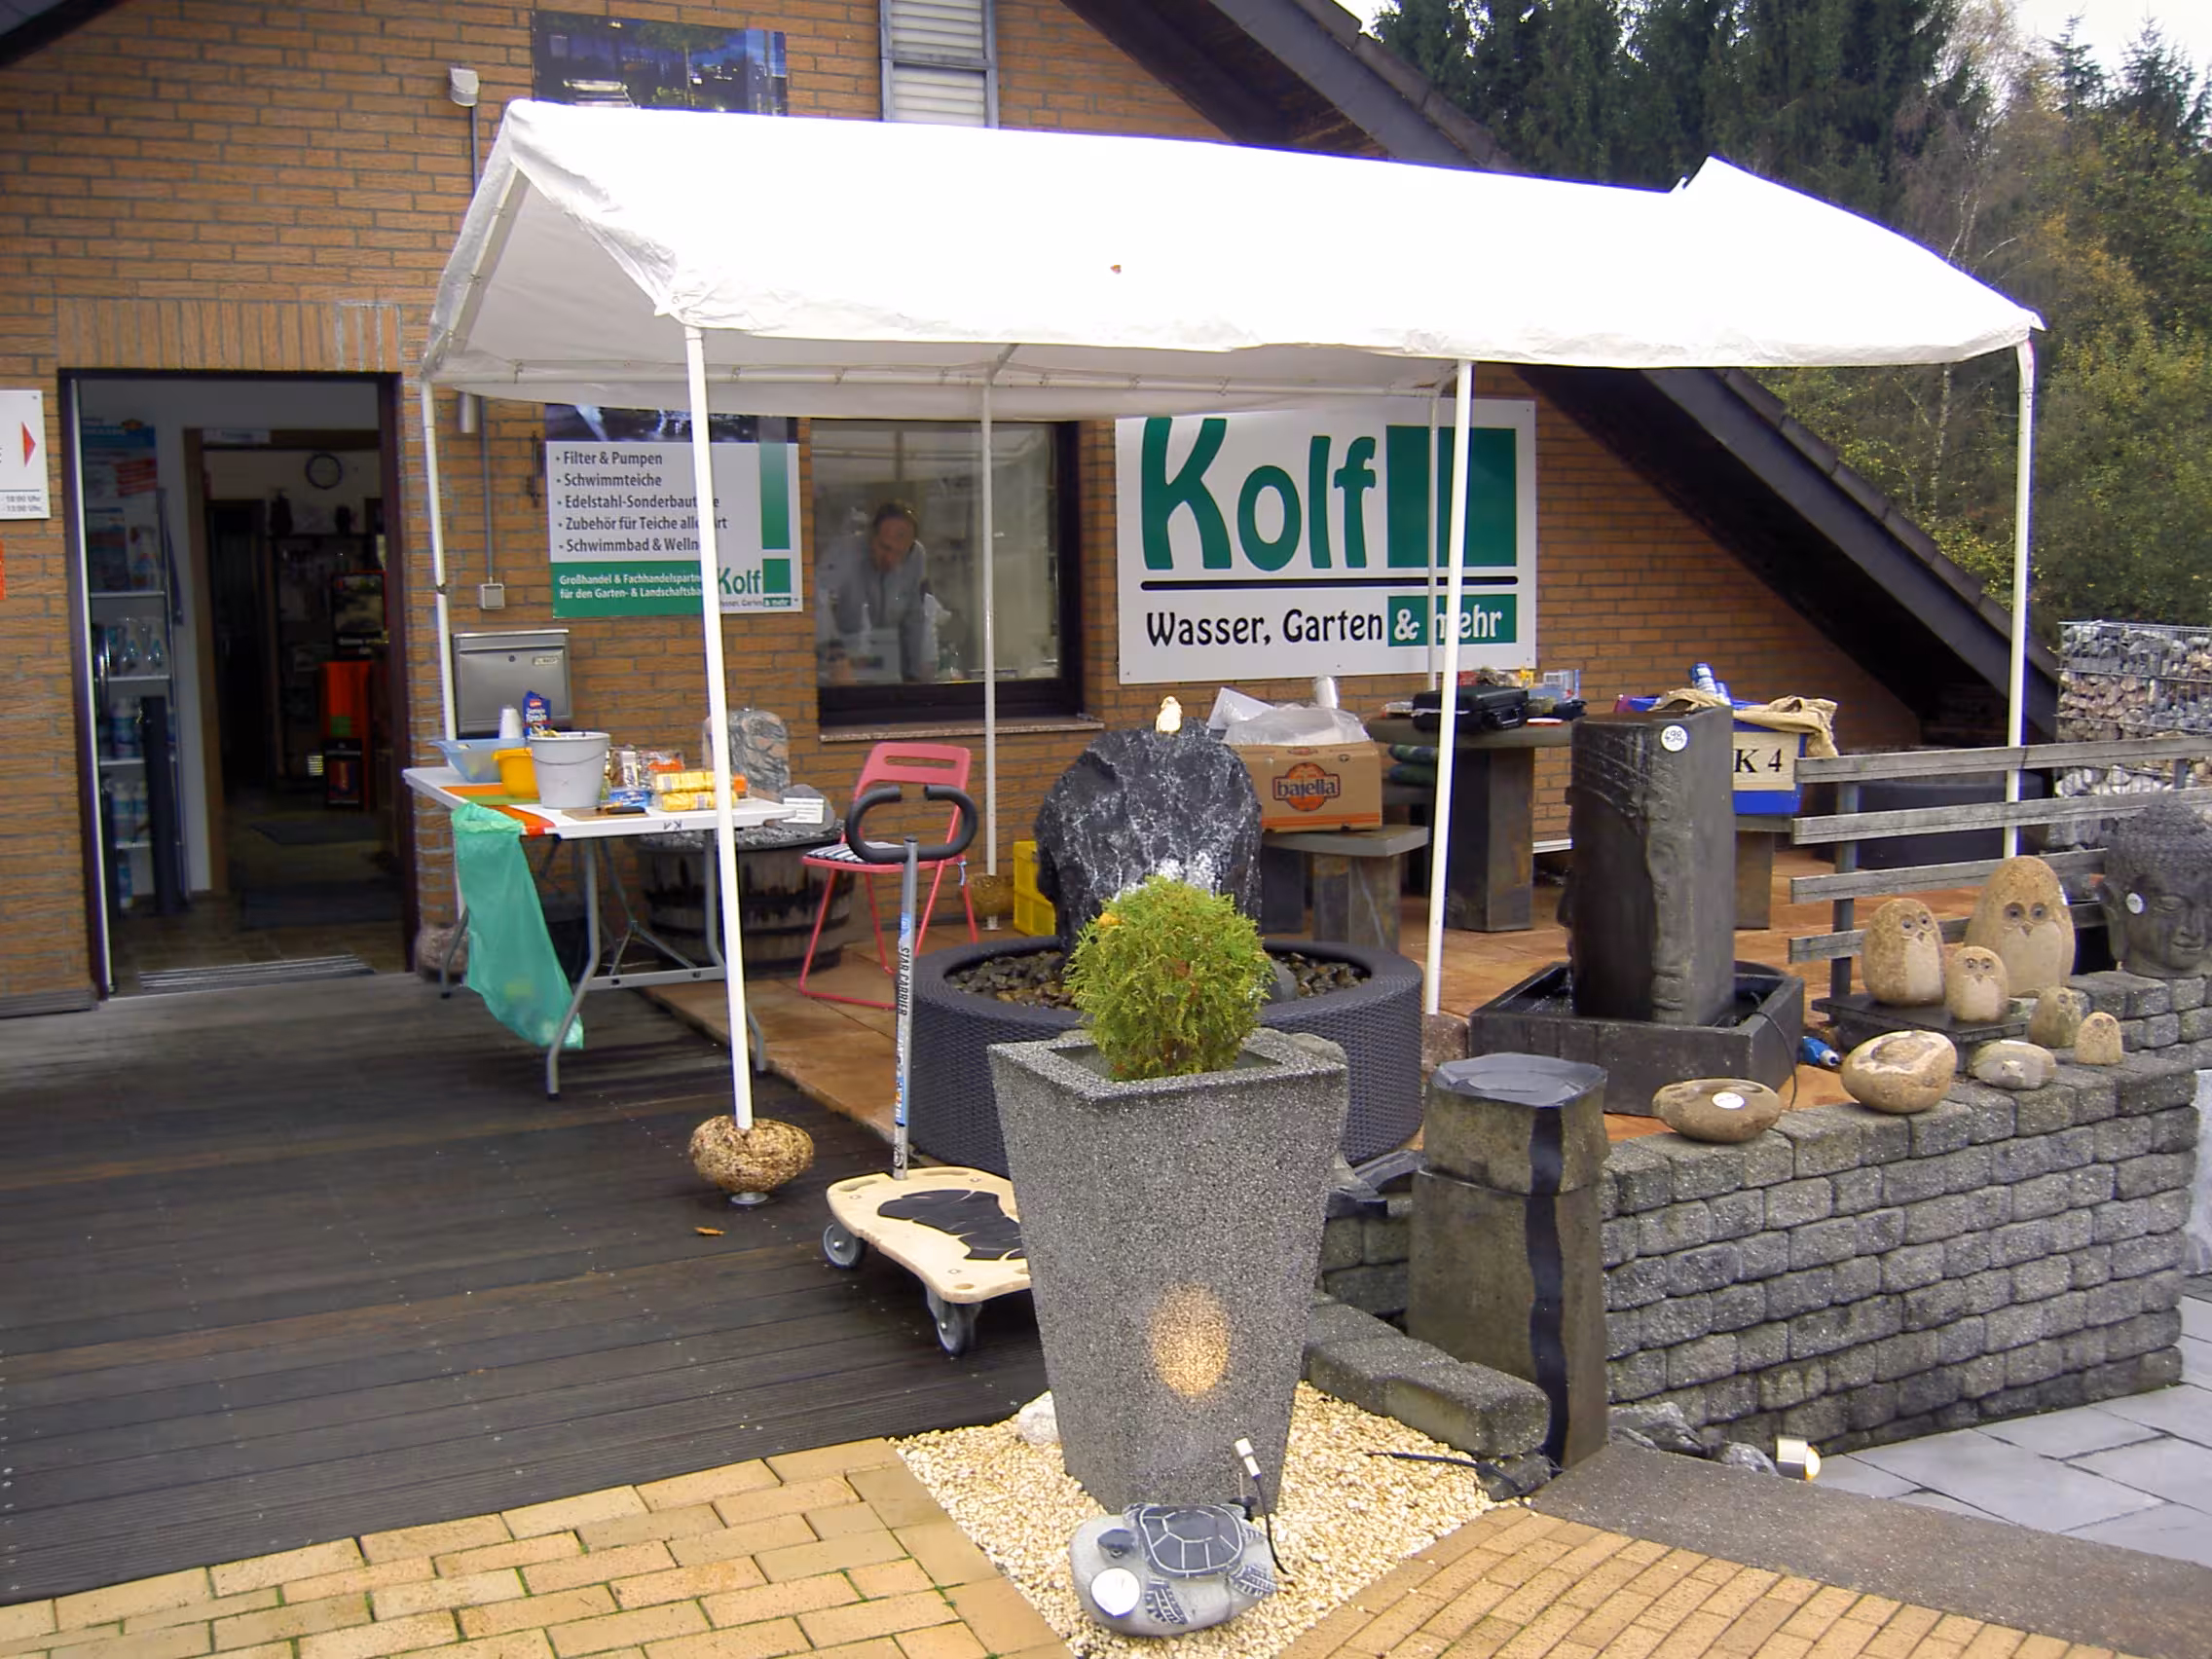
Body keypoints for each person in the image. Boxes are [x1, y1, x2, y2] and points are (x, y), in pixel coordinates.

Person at [816, 500, 935, 683]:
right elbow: (818, 602)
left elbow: (914, 617)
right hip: (840, 664)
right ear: (871, 536)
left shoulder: (916, 556)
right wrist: (834, 654)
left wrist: (915, 676)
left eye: (899, 553)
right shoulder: (844, 552)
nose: (890, 559)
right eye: (885, 548)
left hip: (886, 662)